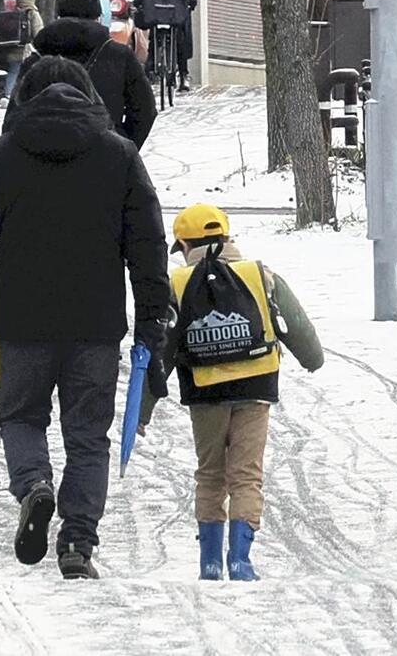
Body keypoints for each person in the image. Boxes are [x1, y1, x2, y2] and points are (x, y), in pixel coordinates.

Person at [0, 57, 170, 580]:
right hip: (96, 323)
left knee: (21, 417)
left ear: (23, 96)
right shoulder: (119, 155)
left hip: (23, 321)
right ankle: (77, 542)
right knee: (88, 435)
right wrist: (152, 318)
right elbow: (148, 245)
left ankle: (34, 485)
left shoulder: (1, 157)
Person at [139, 205, 324, 581]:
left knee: (210, 474)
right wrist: (312, 360)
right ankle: (240, 560)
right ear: (226, 237)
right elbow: (298, 327)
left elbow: (163, 350)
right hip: (256, 387)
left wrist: (143, 410)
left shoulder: (176, 285)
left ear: (185, 244)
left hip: (205, 393)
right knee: (246, 475)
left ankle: (209, 562)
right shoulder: (261, 275)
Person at [5, 0, 157, 150]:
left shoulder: (37, 58)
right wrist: (123, 146)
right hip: (104, 157)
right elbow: (145, 110)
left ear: (58, 18)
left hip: (40, 160)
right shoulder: (120, 55)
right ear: (98, 19)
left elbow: (13, 117)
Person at [135, 0, 198, 92]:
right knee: (155, 37)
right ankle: (152, 69)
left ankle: (183, 73)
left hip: (174, 12)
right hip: (158, 12)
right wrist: (138, 0)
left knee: (180, 38)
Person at [0, 0, 45, 100]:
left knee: (13, 71)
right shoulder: (32, 13)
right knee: (29, 72)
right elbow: (38, 33)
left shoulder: (10, 11)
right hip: (27, 49)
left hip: (11, 47)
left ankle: (8, 93)